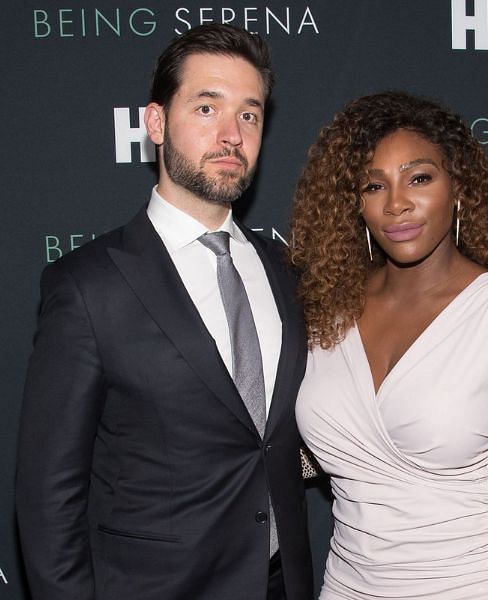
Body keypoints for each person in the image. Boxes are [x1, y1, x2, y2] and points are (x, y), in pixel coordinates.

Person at [15, 24, 312, 600]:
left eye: (249, 115)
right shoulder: (87, 285)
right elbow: (49, 494)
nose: (231, 134)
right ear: (155, 123)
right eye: (207, 107)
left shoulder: (285, 270)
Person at [289, 91, 488, 599]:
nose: (397, 203)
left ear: (458, 187)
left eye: (419, 178)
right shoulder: (325, 310)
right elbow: (321, 452)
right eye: (375, 185)